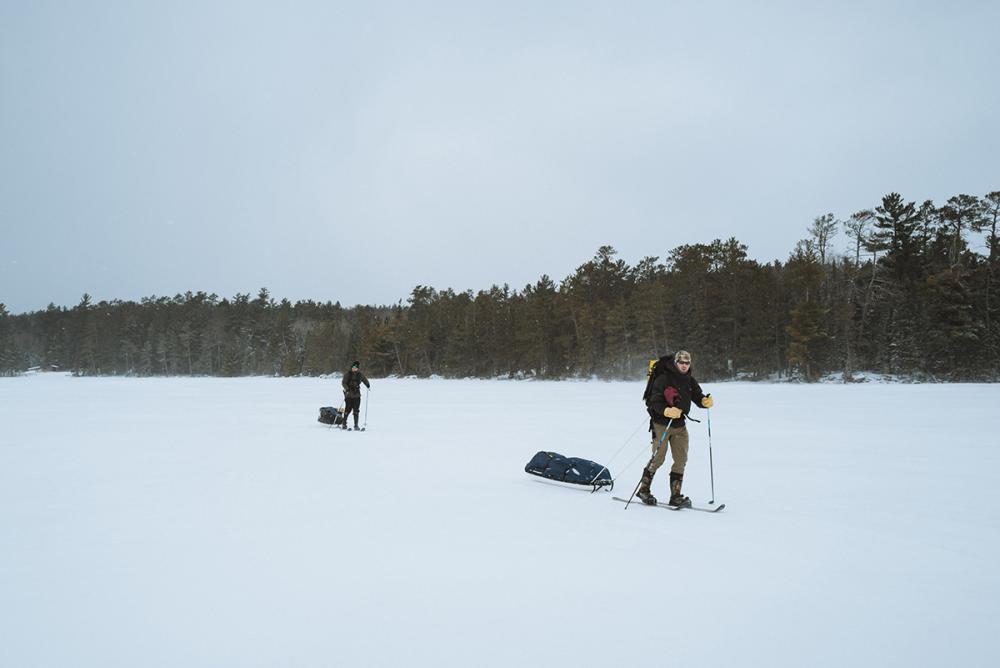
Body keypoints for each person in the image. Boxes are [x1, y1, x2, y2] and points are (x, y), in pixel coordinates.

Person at [638, 350, 714, 507]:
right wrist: (666, 411)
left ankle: (676, 496)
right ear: (675, 363)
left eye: (687, 363)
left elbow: (697, 396)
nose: (684, 366)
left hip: (679, 425)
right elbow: (654, 401)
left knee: (681, 459)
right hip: (661, 424)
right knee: (658, 458)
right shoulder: (663, 378)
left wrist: (704, 401)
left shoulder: (689, 380)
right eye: (681, 363)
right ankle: (643, 490)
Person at [340, 360, 370, 430]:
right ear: (351, 368)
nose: (354, 369)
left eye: (356, 368)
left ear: (358, 368)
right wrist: (347, 389)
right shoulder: (347, 374)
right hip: (348, 395)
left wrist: (368, 385)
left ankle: (356, 425)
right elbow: (343, 383)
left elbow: (364, 380)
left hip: (357, 395)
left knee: (356, 410)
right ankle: (344, 423)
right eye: (353, 368)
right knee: (348, 409)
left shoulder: (360, 374)